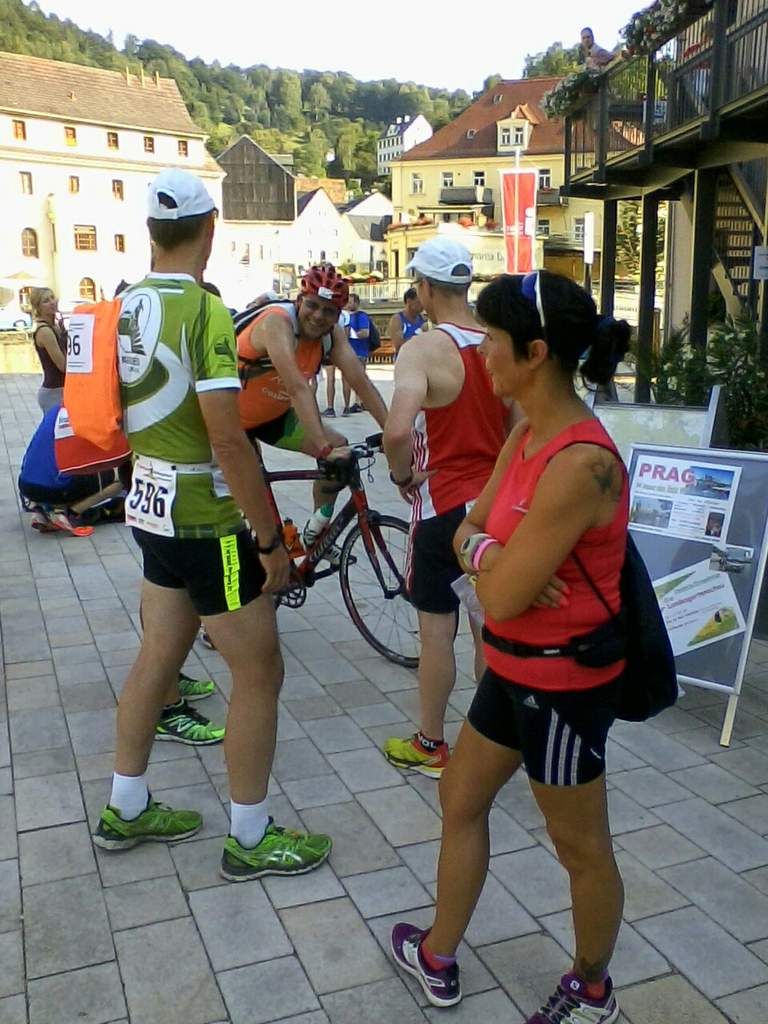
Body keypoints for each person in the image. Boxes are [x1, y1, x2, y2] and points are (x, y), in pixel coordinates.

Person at [391, 270, 631, 1024]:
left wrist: (488, 560)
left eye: (492, 341)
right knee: (459, 796)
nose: (479, 355)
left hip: (561, 686)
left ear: (533, 352)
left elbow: (491, 591)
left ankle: (593, 990)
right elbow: (467, 533)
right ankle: (437, 952)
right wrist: (497, 552)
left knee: (579, 848)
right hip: (513, 667)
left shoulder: (580, 465)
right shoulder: (528, 431)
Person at [93, 169, 331, 883]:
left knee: (159, 654)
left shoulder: (126, 305)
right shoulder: (203, 310)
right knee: (260, 669)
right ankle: (250, 836)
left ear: (148, 234)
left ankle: (125, 808)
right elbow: (229, 440)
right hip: (207, 516)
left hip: (149, 507)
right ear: (210, 231)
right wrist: (267, 540)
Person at [382, 238, 508, 778]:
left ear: (426, 288)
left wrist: (403, 476)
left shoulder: (423, 348)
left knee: (437, 631)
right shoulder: (500, 342)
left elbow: (395, 429)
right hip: (498, 506)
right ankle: (498, 747)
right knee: (491, 631)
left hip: (444, 510)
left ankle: (431, 744)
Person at [237, 263, 388, 560]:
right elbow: (296, 387)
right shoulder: (276, 323)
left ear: (337, 316)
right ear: (298, 301)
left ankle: (316, 535)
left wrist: (394, 434)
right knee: (250, 501)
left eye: (329, 311)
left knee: (340, 449)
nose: (319, 316)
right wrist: (321, 447)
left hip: (273, 418)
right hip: (229, 423)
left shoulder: (333, 336)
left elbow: (362, 383)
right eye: (313, 306)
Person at [18, 404, 124, 536]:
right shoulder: (94, 413)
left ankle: (41, 507)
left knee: (53, 469)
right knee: (121, 475)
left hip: (26, 484)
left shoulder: (58, 408)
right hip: (56, 488)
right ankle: (70, 513)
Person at [30, 287, 67, 414]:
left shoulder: (55, 326)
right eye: (46, 301)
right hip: (54, 392)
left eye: (52, 297)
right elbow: (63, 365)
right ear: (38, 307)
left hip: (61, 389)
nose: (52, 302)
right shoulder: (45, 331)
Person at [342, 292, 372, 415]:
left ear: (356, 303)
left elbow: (365, 333)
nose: (348, 304)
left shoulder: (361, 316)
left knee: (359, 378)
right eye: (347, 301)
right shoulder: (343, 316)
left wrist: (350, 334)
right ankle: (349, 404)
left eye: (350, 301)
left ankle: (358, 402)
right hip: (348, 352)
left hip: (359, 352)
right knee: (347, 379)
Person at [321, 305, 350, 417]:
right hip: (342, 348)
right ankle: (347, 407)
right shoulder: (345, 315)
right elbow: (346, 333)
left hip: (330, 349)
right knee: (345, 378)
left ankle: (330, 408)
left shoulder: (327, 313)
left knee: (330, 379)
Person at [387, 287, 426, 355]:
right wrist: (420, 340)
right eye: (419, 302)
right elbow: (399, 346)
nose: (423, 305)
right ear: (409, 301)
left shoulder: (423, 319)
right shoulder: (397, 319)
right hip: (404, 361)